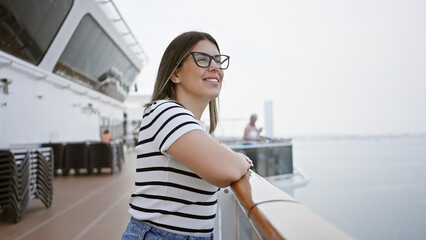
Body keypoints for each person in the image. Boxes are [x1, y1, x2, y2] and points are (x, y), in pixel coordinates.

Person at [122, 31, 253, 240]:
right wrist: (238, 159)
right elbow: (224, 170)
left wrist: (231, 157)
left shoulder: (191, 125)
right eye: (202, 59)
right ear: (175, 74)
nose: (215, 67)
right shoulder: (165, 111)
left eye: (218, 61)